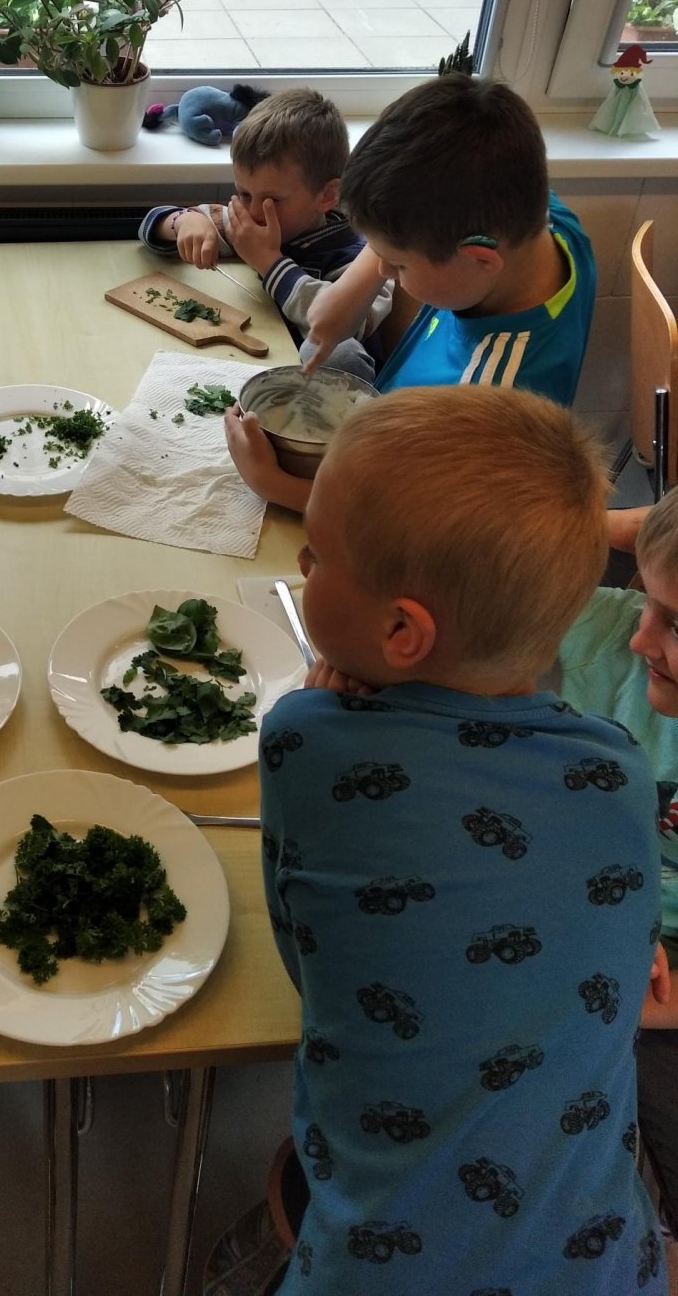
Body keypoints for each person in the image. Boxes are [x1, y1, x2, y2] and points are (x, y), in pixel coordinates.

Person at [257, 388, 663, 1295]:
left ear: (402, 631)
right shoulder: (621, 770)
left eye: (317, 555)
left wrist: (325, 713)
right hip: (606, 1266)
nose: (303, 562)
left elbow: (309, 964)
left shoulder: (303, 742)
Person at [224, 75, 596, 512]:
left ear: (480, 259)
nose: (382, 270)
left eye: (396, 264)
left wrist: (272, 483)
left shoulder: (483, 397)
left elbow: (417, 514)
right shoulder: (537, 216)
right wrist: (346, 296)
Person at [554, 490, 678, 1229]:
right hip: (581, 936)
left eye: (674, 622)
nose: (641, 639)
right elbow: (441, 562)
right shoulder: (599, 638)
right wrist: (607, 526)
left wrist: (636, 1002)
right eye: (649, 602)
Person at [137, 87, 392, 381]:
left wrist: (269, 263)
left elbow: (347, 328)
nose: (255, 211)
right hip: (247, 366)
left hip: (328, 392)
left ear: (326, 196)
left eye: (273, 200)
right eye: (244, 194)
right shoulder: (250, 223)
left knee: (336, 352)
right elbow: (150, 226)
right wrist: (185, 222)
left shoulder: (362, 258)